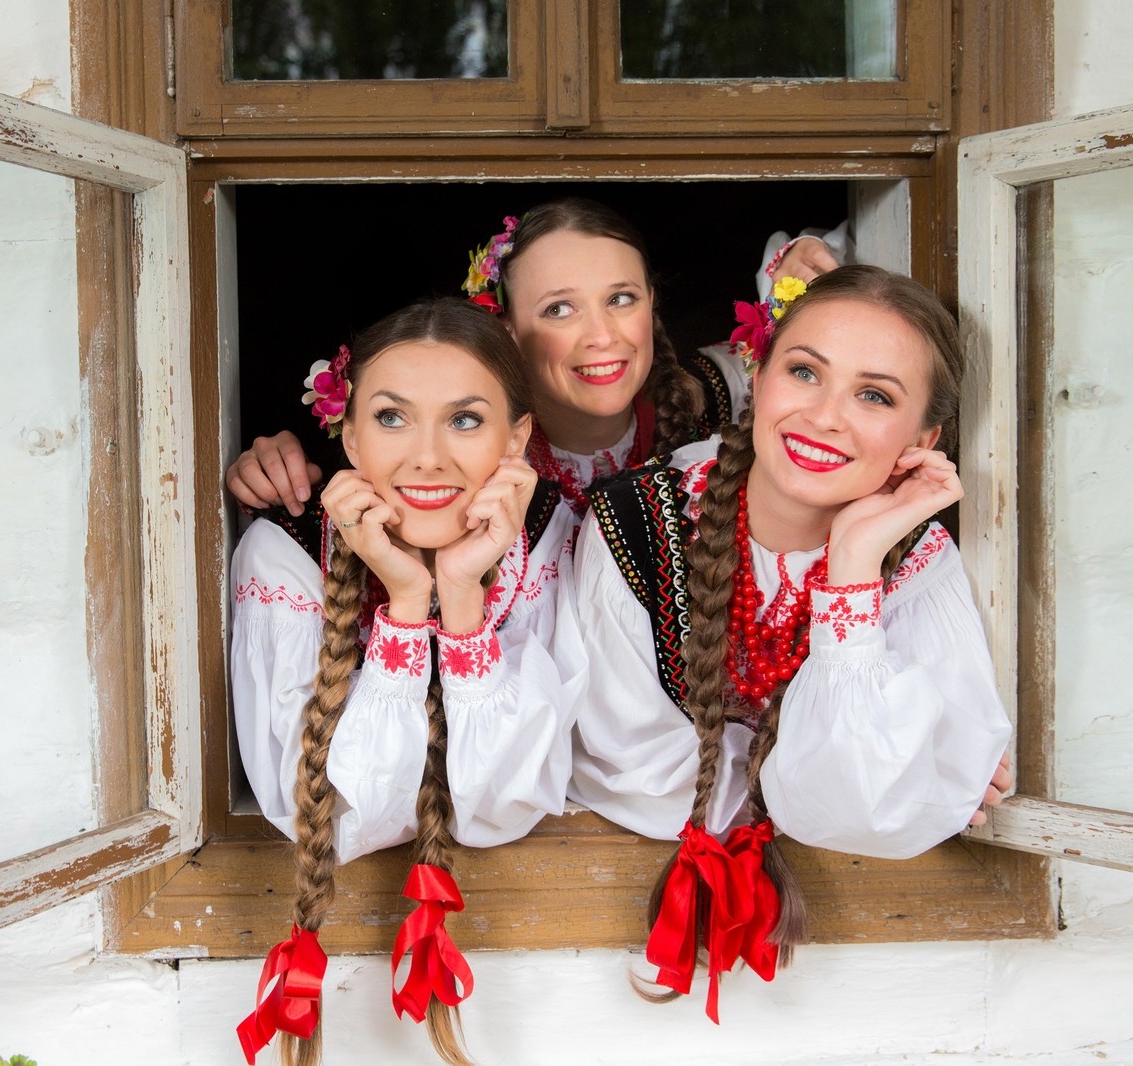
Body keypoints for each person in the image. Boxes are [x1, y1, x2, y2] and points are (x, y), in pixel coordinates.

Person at [559, 265, 1014, 1021]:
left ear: (922, 440)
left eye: (875, 396)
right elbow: (630, 774)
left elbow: (869, 808)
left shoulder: (915, 556)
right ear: (760, 374)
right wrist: (894, 766)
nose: (826, 416)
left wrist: (853, 569)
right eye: (804, 372)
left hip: (855, 1000)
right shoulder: (638, 520)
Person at [232, 298, 574, 1066]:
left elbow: (501, 806)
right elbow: (339, 818)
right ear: (350, 436)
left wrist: (461, 596)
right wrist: (406, 603)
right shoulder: (281, 554)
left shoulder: (548, 539)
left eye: (465, 420)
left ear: (516, 439)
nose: (427, 458)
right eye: (392, 418)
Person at [226, 198, 725, 526]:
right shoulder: (460, 454)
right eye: (558, 309)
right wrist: (273, 476)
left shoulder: (719, 410)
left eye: (621, 299)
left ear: (652, 301)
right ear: (507, 329)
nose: (601, 335)